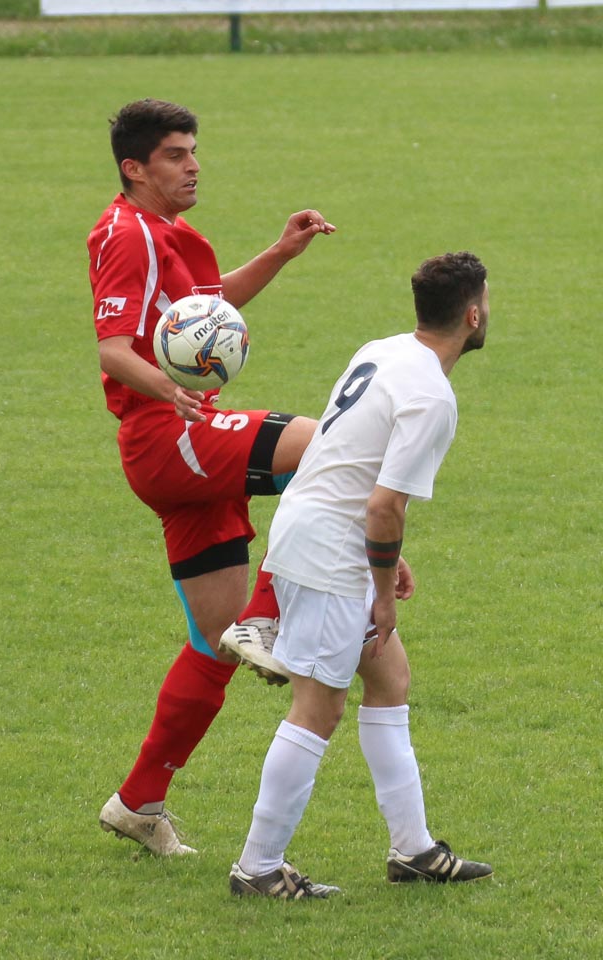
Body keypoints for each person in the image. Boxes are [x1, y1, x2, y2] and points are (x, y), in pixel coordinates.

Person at [88, 98, 335, 856]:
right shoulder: (126, 233)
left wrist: (280, 253)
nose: (193, 165)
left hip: (182, 436)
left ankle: (138, 803)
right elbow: (113, 346)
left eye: (194, 150)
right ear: (135, 168)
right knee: (330, 447)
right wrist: (170, 390)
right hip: (169, 434)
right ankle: (270, 610)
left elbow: (207, 307)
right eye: (175, 154)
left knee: (214, 643)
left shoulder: (174, 233)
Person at [229, 251, 494, 899]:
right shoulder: (431, 396)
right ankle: (257, 869)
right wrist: (383, 593)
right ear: (472, 314)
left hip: (314, 530)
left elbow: (345, 460)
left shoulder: (383, 349)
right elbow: (382, 505)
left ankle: (413, 849)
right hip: (328, 557)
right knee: (317, 709)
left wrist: (384, 555)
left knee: (389, 677)